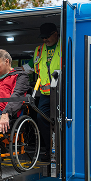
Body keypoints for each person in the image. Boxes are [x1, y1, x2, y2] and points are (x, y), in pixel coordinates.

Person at [22, 22, 60, 162]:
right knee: (41, 119)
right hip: (45, 94)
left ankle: (62, 150)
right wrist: (11, 71)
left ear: (55, 34)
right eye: (43, 38)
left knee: (60, 120)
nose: (45, 40)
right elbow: (29, 66)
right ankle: (50, 150)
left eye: (47, 37)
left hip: (62, 92)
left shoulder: (64, 45)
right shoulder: (39, 50)